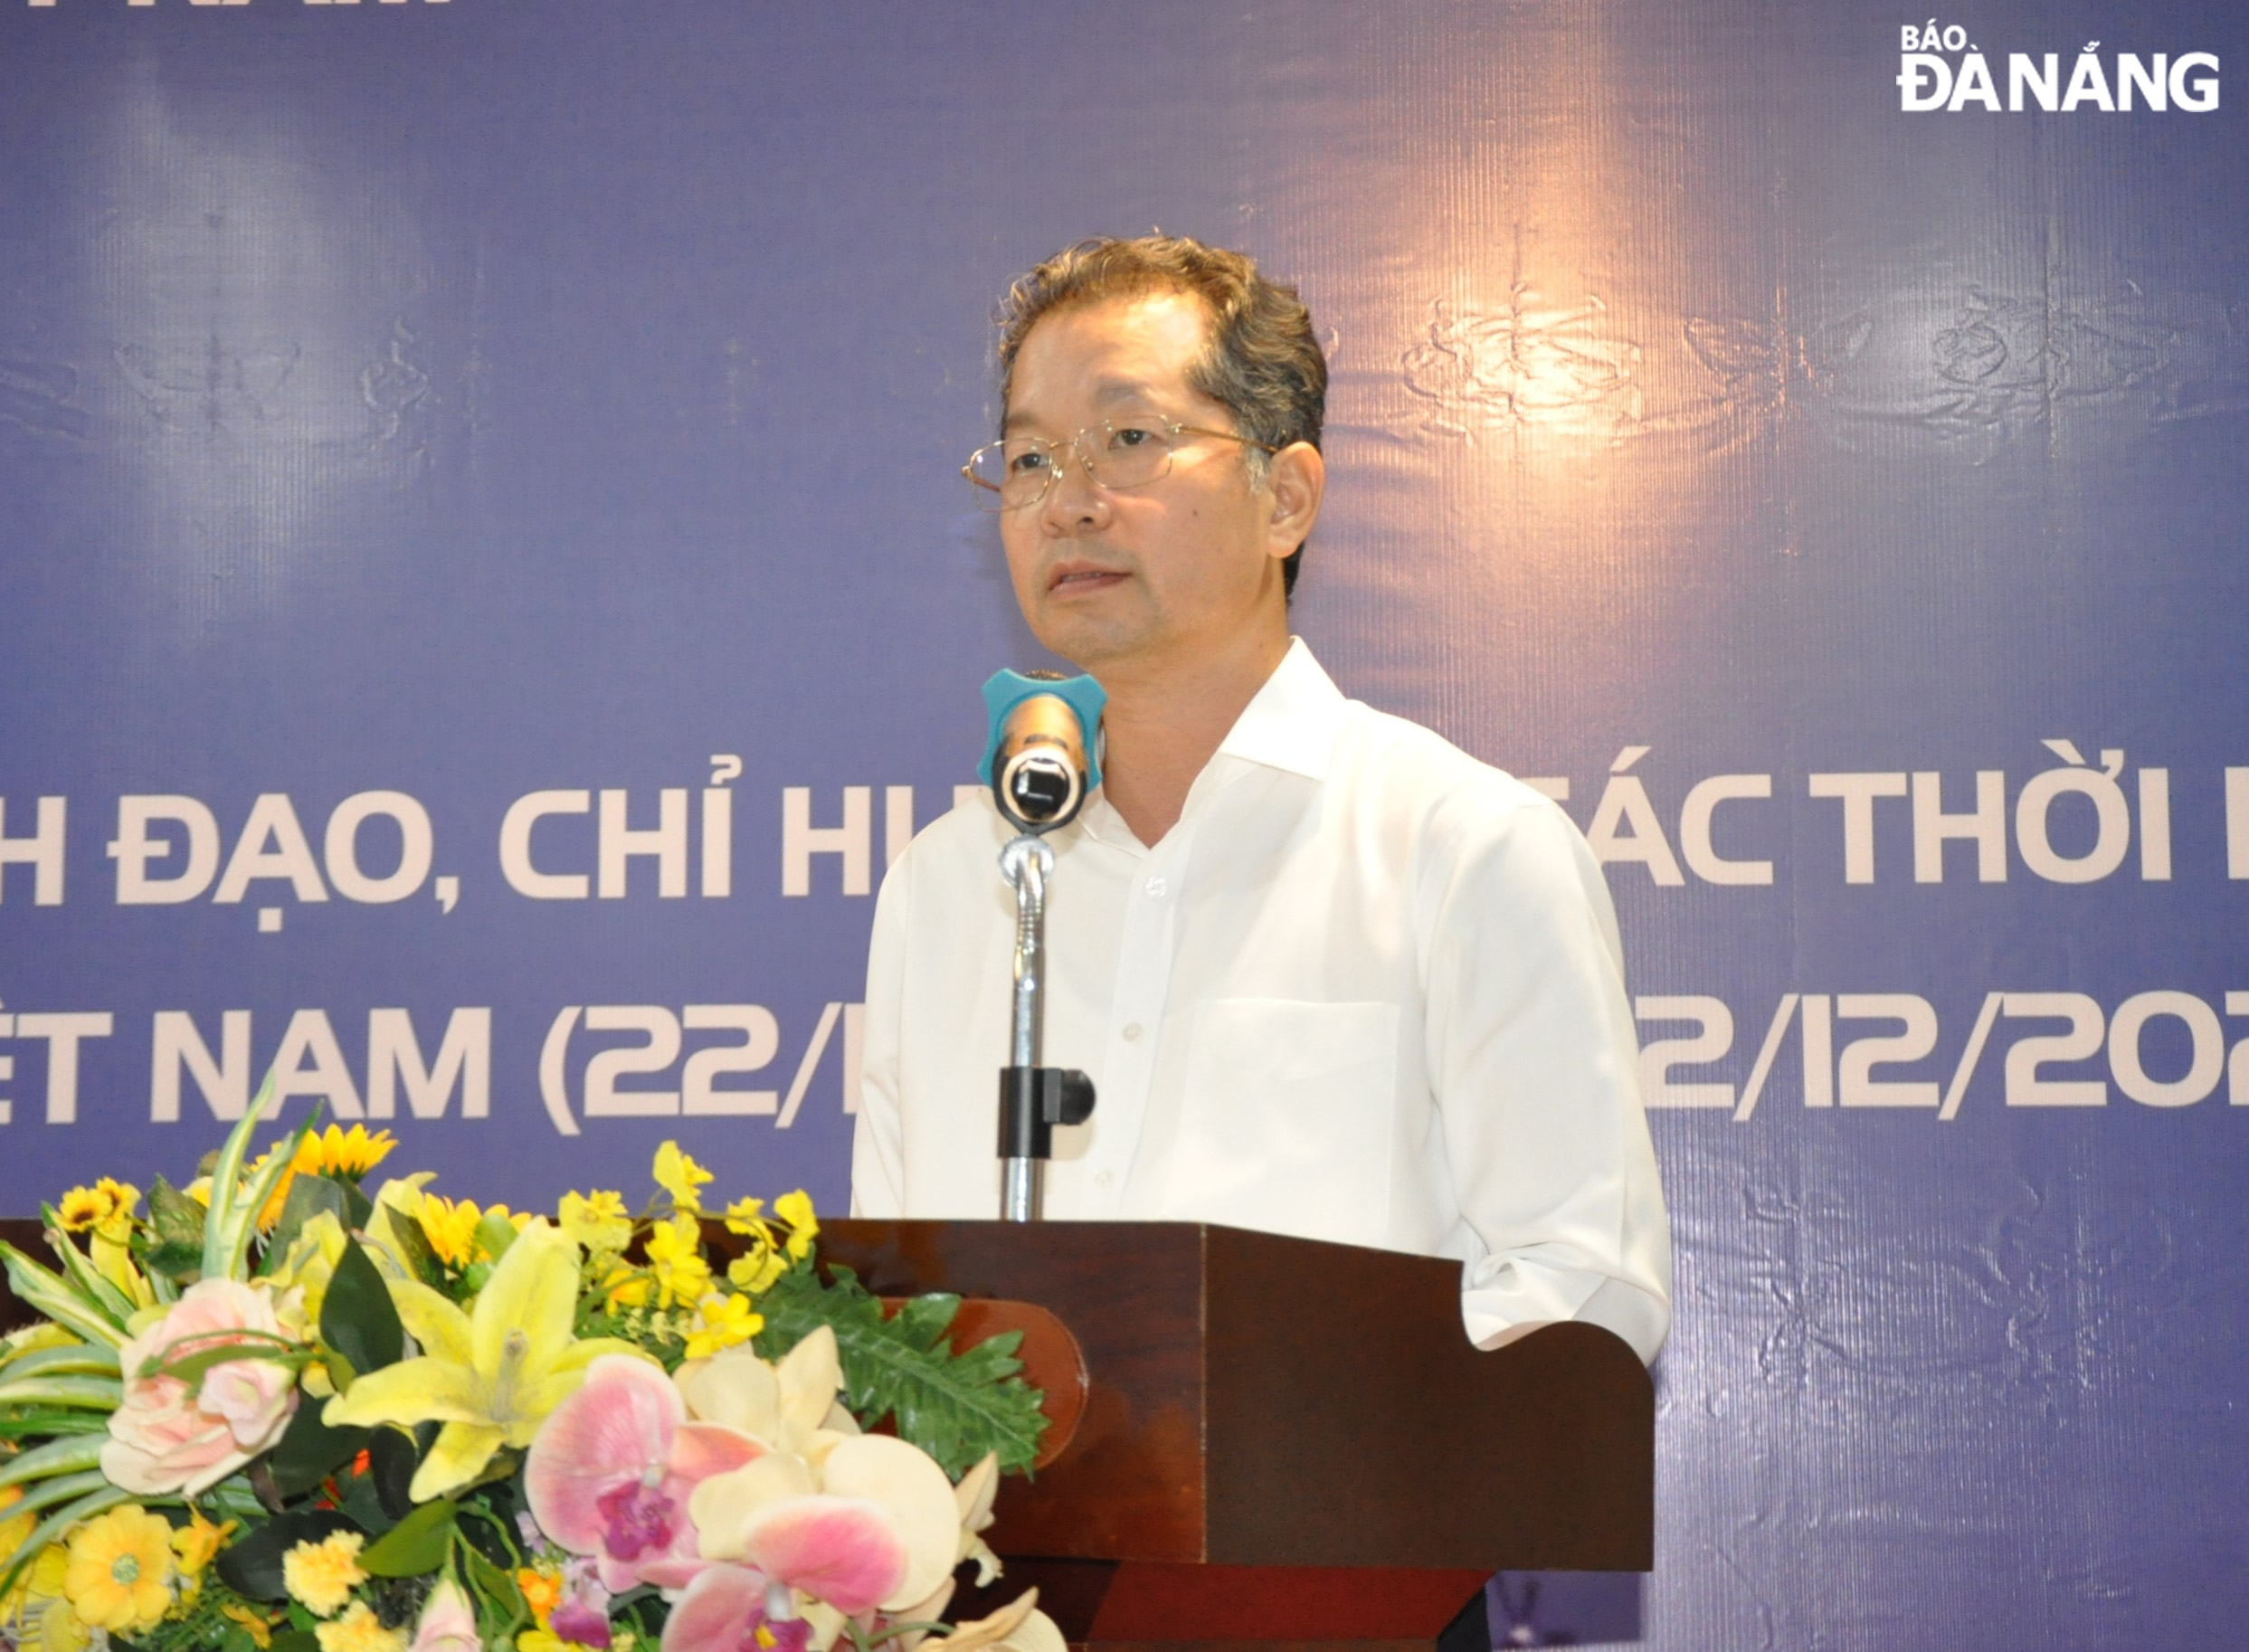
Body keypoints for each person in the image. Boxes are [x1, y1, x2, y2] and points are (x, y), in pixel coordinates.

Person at [850, 234, 1670, 1363]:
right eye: (1030, 459)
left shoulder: (1463, 850)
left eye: (1128, 439)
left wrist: (1261, 1432)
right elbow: (891, 1326)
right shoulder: (950, 883)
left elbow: (1579, 1297)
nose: (1067, 503)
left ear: (1282, 497)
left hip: (1332, 1535)